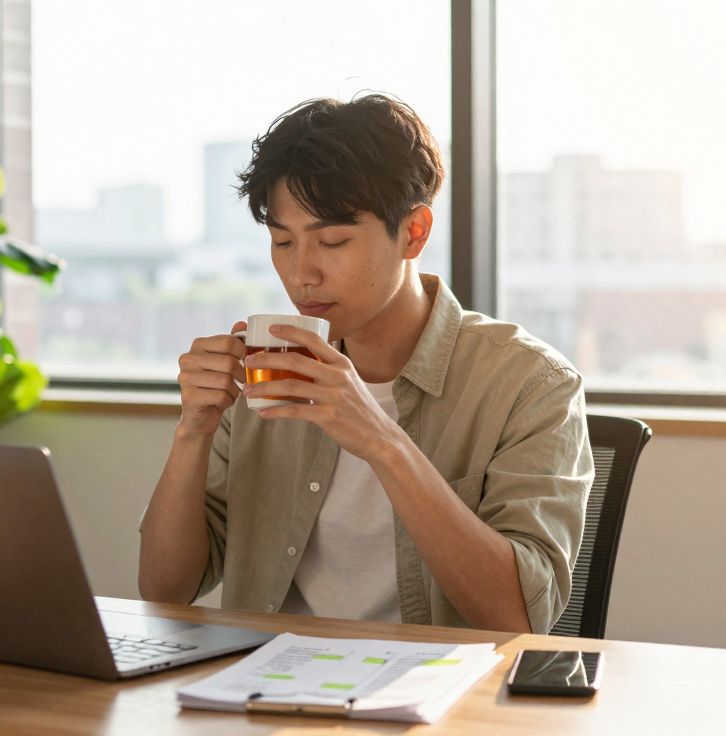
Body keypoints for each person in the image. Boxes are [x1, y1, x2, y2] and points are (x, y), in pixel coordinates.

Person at [137, 94, 593, 634]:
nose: (301, 273)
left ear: (413, 232)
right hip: (262, 689)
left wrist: (383, 442)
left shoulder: (530, 384)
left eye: (332, 241)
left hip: (432, 697)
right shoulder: (267, 371)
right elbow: (165, 589)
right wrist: (193, 429)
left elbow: (519, 619)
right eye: (283, 242)